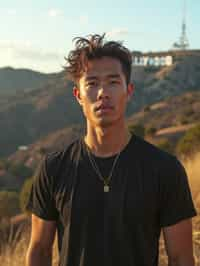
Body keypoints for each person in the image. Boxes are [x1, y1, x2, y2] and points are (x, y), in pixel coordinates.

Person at [25, 34, 197, 266]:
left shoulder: (164, 169)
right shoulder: (54, 168)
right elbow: (39, 251)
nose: (103, 93)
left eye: (113, 82)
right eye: (92, 83)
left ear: (129, 91)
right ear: (78, 96)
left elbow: (181, 258)